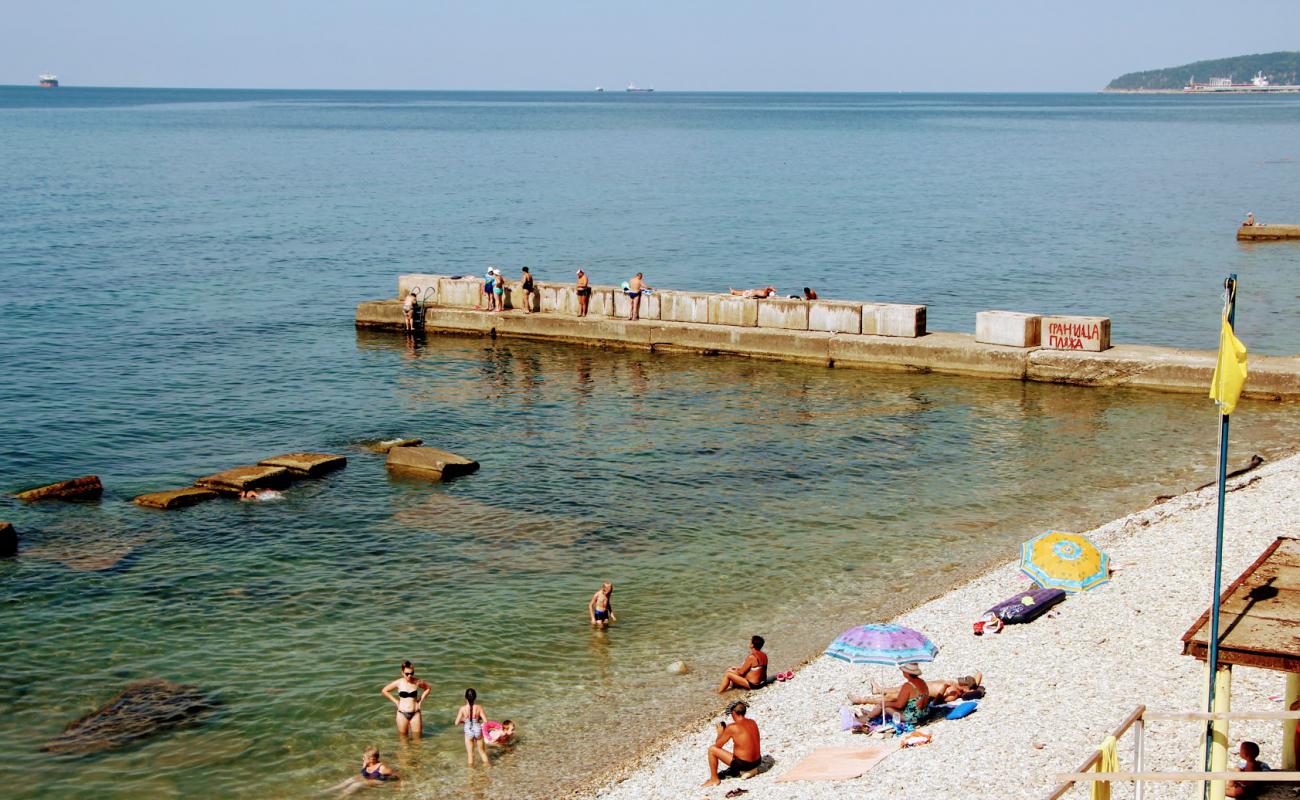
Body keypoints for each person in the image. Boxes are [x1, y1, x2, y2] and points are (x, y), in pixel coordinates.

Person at [851, 663, 931, 727]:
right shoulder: (922, 682)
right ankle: (871, 714)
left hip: (913, 718)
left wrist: (884, 703)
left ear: (906, 673)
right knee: (885, 704)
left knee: (885, 706)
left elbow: (899, 705)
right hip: (924, 713)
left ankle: (866, 719)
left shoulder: (908, 686)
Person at [703, 700, 763, 786]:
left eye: (731, 713)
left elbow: (718, 745)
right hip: (757, 761)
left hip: (745, 764)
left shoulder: (733, 727)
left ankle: (714, 779)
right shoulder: (753, 722)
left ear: (734, 713)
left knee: (712, 749)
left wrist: (720, 732)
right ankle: (751, 770)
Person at [381, 660, 431, 737]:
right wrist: (396, 702)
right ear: (402, 672)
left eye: (411, 673)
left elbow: (428, 688)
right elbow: (384, 690)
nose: (409, 676)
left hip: (415, 713)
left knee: (418, 739)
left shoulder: (417, 682)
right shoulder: (398, 682)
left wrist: (420, 700)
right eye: (407, 674)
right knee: (403, 739)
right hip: (401, 713)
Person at [325, 747, 397, 796]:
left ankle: (339, 798)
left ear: (371, 759)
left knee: (355, 785)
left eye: (364, 757)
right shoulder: (367, 764)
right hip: (369, 777)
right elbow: (363, 772)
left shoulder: (382, 768)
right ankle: (326, 792)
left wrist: (398, 784)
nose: (362, 758)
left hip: (377, 780)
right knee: (348, 781)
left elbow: (396, 773)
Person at [455, 687, 489, 766]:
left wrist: (464, 721)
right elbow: (486, 721)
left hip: (468, 730)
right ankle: (487, 768)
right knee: (482, 752)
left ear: (465, 697)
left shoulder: (462, 709)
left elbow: (456, 723)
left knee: (470, 754)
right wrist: (477, 719)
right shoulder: (479, 707)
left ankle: (471, 775)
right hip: (477, 728)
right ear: (475, 697)